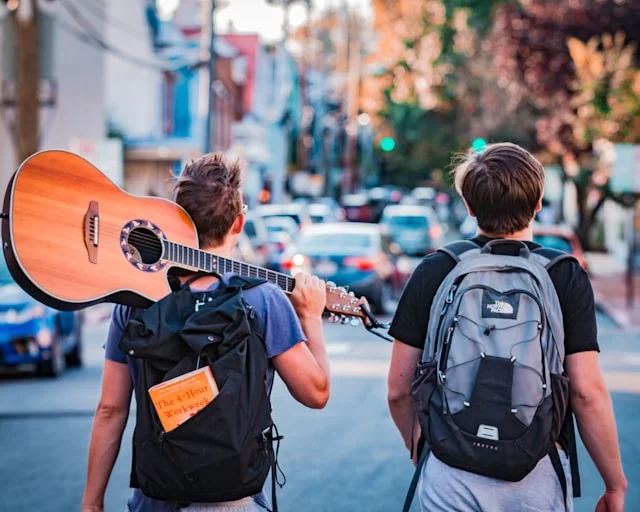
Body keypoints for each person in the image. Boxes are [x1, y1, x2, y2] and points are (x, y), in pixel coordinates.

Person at [81, 153, 331, 512]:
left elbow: (110, 409)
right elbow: (316, 393)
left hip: (155, 498)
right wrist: (310, 317)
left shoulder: (136, 300)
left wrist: (92, 502)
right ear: (239, 224)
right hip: (233, 500)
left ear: (174, 217)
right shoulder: (262, 300)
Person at [387, 143, 627, 511]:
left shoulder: (435, 270)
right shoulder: (563, 275)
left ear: (469, 206)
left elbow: (399, 392)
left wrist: (422, 448)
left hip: (452, 473)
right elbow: (587, 393)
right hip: (537, 472)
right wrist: (614, 484)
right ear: (537, 203)